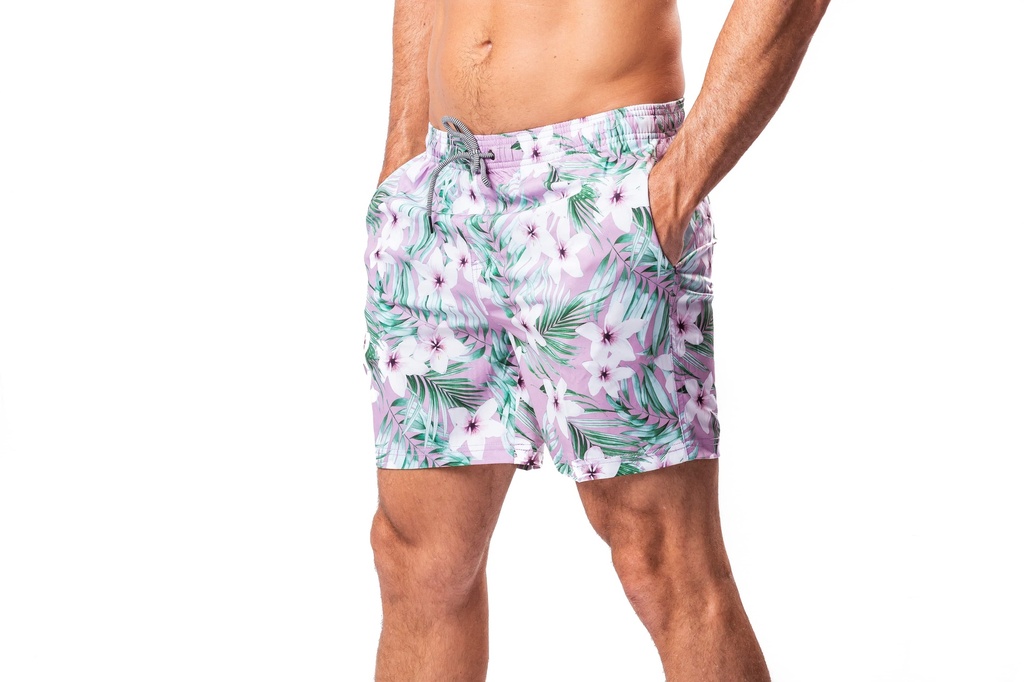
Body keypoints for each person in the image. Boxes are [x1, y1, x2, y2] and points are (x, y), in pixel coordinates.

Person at [362, 1, 828, 679]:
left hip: (597, 181)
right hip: (440, 196)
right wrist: (401, 163)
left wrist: (676, 187)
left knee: (662, 560)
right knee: (416, 560)